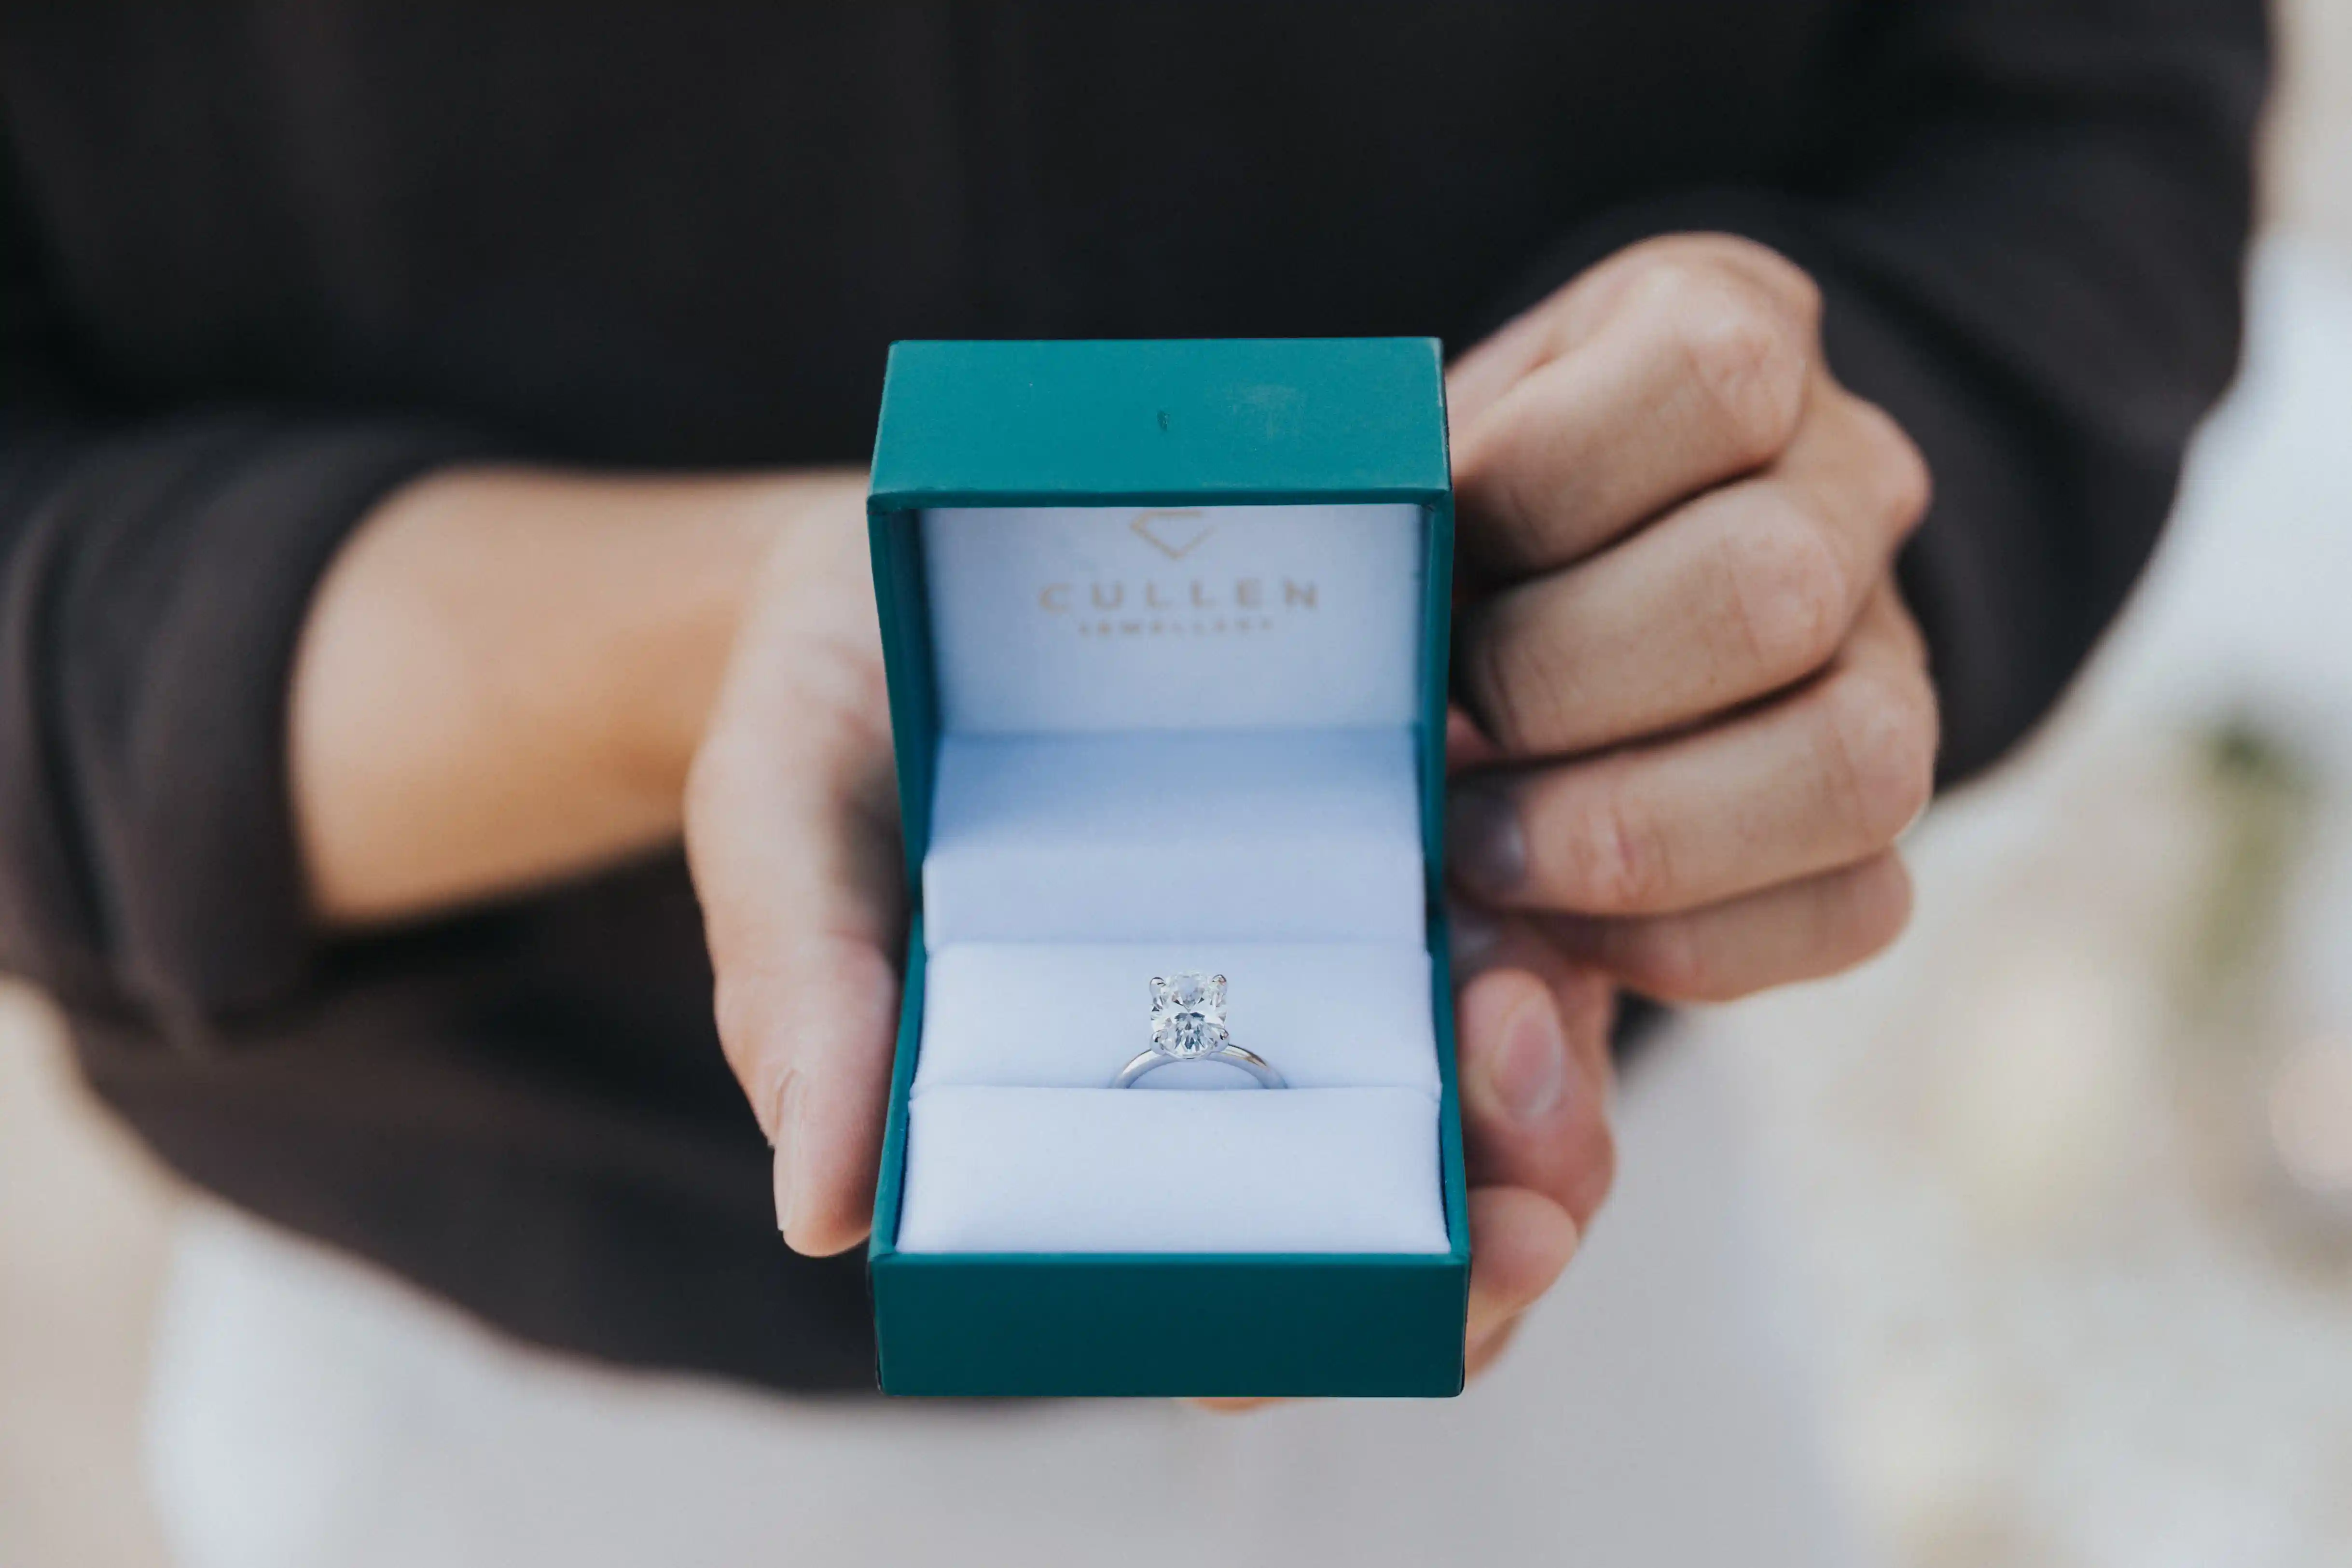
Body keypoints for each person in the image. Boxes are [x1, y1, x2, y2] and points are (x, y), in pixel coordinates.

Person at [0, 2, 2263, 1405]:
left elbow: (2094, 113)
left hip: (1599, 1272)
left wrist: (1800, 517)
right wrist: (711, 633)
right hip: (478, 1363)